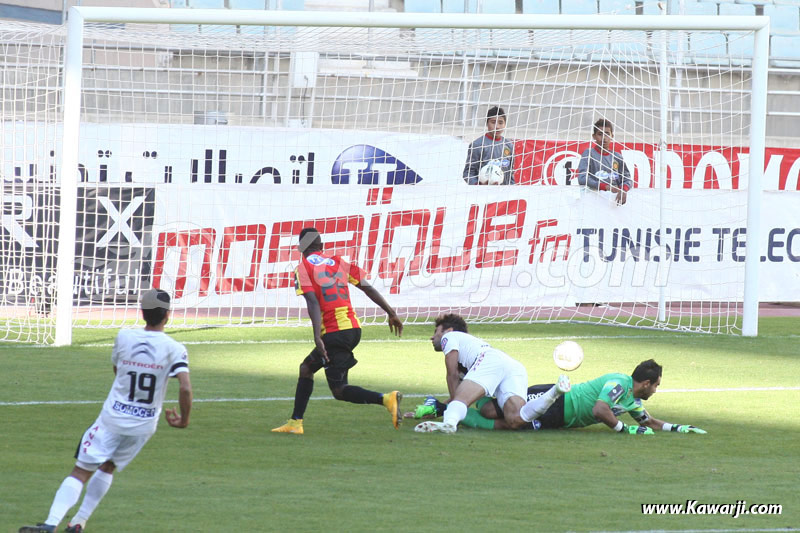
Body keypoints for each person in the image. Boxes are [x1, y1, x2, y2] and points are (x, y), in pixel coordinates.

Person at [19, 289, 192, 533]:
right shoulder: (175, 348)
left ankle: (50, 525)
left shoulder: (124, 337)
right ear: (168, 316)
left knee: (80, 471)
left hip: (112, 420)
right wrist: (183, 420)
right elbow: (185, 387)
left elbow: (117, 370)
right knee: (108, 467)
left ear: (142, 313)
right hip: (144, 426)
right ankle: (78, 522)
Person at [271, 227, 404, 435]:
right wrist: (391, 312)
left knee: (339, 390)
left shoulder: (303, 267)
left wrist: (317, 336)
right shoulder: (339, 262)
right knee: (306, 368)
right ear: (322, 247)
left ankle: (386, 399)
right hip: (352, 328)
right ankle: (295, 422)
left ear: (301, 249)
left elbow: (313, 302)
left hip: (335, 333)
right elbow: (367, 287)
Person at [411, 359, 707, 436]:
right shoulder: (619, 384)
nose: (656, 389)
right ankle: (440, 405)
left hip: (559, 418)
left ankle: (446, 412)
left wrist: (678, 428)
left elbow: (649, 422)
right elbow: (601, 409)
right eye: (656, 385)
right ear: (645, 382)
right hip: (557, 401)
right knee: (496, 410)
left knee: (506, 424)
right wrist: (622, 429)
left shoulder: (633, 402)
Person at [414, 314, 570, 434]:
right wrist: (440, 408)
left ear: (448, 331)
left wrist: (451, 410)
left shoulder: (449, 337)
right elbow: (461, 394)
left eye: (436, 332)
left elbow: (452, 375)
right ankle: (554, 392)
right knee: (515, 418)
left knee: (461, 398)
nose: (432, 337)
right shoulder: (469, 349)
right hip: (512, 366)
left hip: (490, 360)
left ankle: (449, 424)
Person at [576, 118, 632, 205]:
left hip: (614, 203)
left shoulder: (617, 157)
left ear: (612, 136)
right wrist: (605, 187)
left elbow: (627, 179)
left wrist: (623, 189)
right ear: (594, 136)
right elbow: (582, 178)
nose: (604, 138)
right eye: (600, 134)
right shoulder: (589, 153)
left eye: (607, 134)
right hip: (594, 202)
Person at [463, 106, 515, 185]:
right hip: (482, 193)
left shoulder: (509, 145)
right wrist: (478, 185)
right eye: (493, 122)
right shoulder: (477, 145)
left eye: (500, 123)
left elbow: (510, 174)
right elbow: (468, 173)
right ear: (487, 123)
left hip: (504, 193)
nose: (497, 126)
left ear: (505, 124)